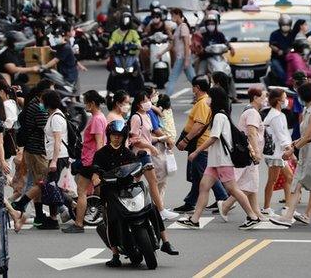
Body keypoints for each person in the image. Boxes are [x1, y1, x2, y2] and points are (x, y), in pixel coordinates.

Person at [91, 120, 178, 266]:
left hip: (130, 189)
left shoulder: (128, 153)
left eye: (119, 135)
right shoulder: (101, 154)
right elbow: (95, 171)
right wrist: (96, 178)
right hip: (111, 192)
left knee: (152, 208)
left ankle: (166, 241)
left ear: (124, 136)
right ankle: (115, 255)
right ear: (109, 136)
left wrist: (140, 170)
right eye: (114, 135)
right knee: (110, 220)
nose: (116, 138)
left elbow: (137, 169)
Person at [178, 86, 263, 229]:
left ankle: (253, 216)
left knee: (234, 190)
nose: (208, 100)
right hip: (215, 161)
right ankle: (194, 219)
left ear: (215, 99)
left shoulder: (219, 116)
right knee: (204, 187)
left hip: (222, 161)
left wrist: (196, 152)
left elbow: (213, 138)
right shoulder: (218, 115)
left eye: (210, 97)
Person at [268, 81, 311, 227]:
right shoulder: (307, 111)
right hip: (306, 152)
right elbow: (304, 136)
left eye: (299, 94)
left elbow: (308, 136)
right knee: (296, 183)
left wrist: (293, 149)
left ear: (304, 96)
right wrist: (294, 144)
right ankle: (287, 217)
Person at [173, 76, 228, 214]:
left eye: (193, 87)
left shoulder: (203, 103)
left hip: (200, 143)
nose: (192, 89)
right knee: (198, 175)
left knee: (206, 173)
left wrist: (186, 140)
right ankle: (191, 201)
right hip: (199, 143)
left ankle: (223, 197)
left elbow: (199, 124)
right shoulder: (203, 102)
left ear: (197, 88)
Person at [127, 91, 177, 221]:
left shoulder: (146, 116)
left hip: (146, 153)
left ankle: (157, 210)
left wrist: (160, 138)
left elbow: (148, 137)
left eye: (148, 100)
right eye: (144, 101)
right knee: (149, 181)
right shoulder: (136, 118)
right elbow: (134, 139)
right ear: (138, 104)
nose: (148, 103)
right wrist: (150, 146)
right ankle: (159, 210)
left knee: (139, 182)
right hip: (140, 154)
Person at [63, 90, 108, 233]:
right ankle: (106, 220)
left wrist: (97, 166)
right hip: (92, 161)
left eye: (86, 102)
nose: (84, 105)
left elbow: (99, 143)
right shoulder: (100, 117)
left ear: (92, 103)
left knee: (81, 191)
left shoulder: (96, 119)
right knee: (101, 192)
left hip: (90, 161)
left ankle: (79, 223)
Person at [219, 85, 265, 220]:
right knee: (250, 185)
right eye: (264, 97)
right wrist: (256, 152)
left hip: (248, 153)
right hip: (250, 153)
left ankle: (256, 211)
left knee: (251, 183)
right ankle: (226, 205)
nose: (266, 100)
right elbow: (251, 133)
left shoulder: (251, 111)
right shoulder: (252, 113)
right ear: (256, 98)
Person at [13, 79, 52, 207]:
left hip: (32, 148)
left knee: (33, 181)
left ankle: (27, 209)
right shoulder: (39, 107)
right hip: (37, 149)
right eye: (52, 89)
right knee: (42, 182)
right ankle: (21, 206)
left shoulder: (35, 104)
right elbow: (45, 128)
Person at [167, 8, 195, 91]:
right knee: (193, 79)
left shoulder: (183, 27)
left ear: (178, 15)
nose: (171, 17)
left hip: (182, 57)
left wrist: (186, 59)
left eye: (172, 15)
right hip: (182, 57)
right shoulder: (178, 27)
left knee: (172, 78)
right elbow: (173, 43)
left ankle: (165, 98)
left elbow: (186, 44)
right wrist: (161, 53)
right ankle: (203, 93)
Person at [51, 23, 86, 88]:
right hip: (67, 73)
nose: (74, 31)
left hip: (69, 72)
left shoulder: (67, 43)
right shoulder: (64, 44)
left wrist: (80, 65)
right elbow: (57, 59)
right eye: (72, 30)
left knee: (71, 91)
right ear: (67, 33)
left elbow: (69, 55)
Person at [268, 14, 297, 86]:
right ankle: (284, 85)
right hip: (277, 58)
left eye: (287, 25)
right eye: (284, 25)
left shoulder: (292, 34)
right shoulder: (275, 34)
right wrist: (278, 51)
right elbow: (271, 45)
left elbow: (296, 44)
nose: (285, 27)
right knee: (281, 73)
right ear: (280, 25)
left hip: (289, 58)